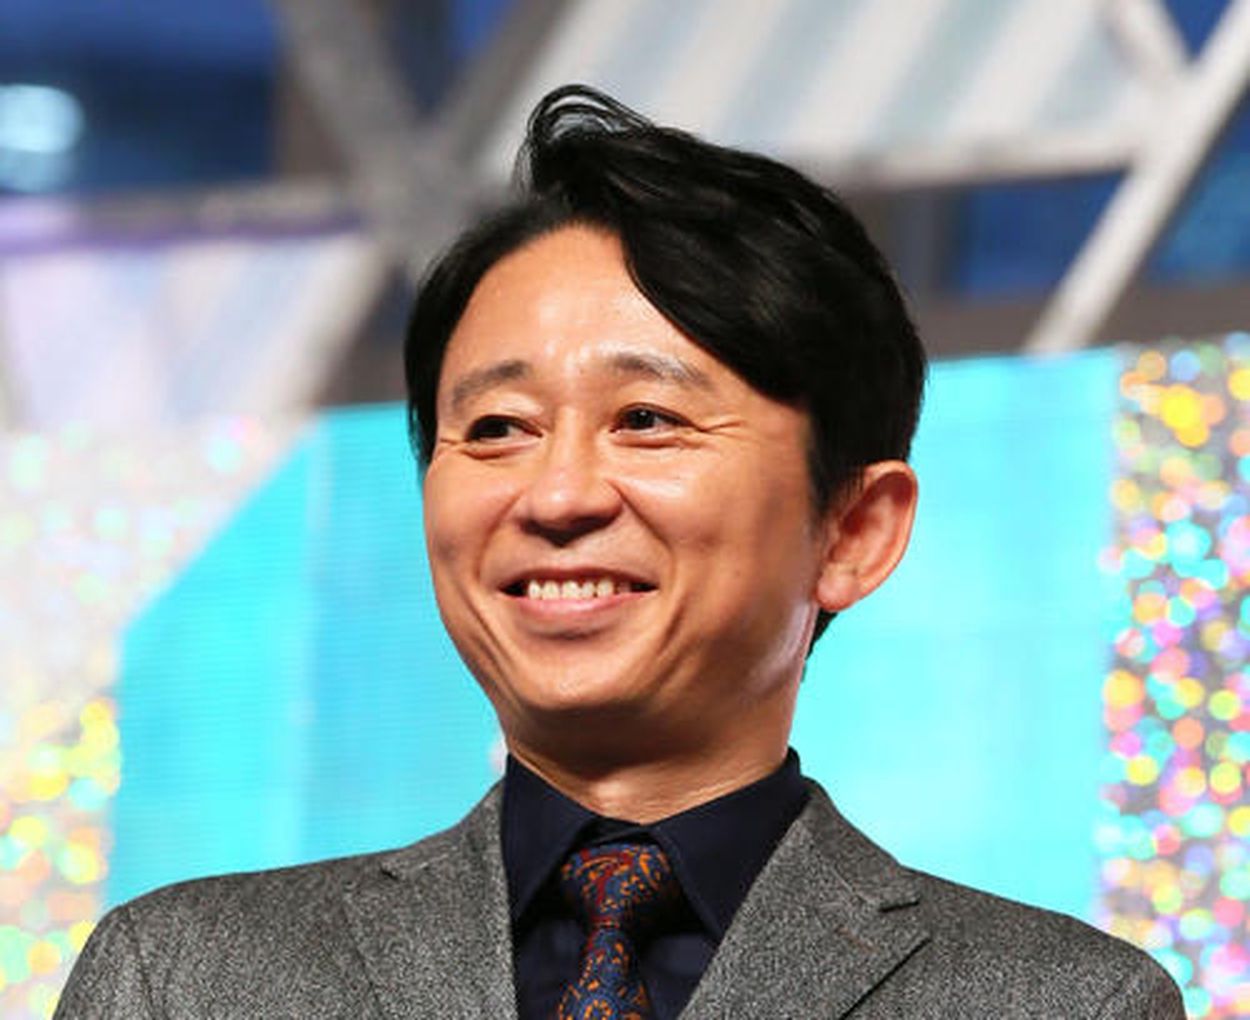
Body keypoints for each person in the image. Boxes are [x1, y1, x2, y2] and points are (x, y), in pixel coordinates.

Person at [56, 85, 1183, 1018]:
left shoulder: (1066, 1003)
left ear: (854, 531)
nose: (556, 495)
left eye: (646, 419)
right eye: (497, 427)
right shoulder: (183, 977)